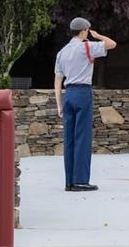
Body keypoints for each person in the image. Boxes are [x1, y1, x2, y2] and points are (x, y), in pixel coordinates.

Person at [54, 17, 116, 192]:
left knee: (69, 139)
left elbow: (57, 81)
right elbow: (112, 44)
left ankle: (69, 181)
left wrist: (59, 105)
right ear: (83, 31)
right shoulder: (87, 46)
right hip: (82, 93)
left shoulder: (62, 52)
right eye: (87, 30)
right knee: (82, 137)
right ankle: (80, 180)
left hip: (68, 94)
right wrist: (97, 35)